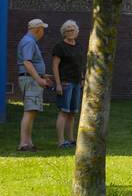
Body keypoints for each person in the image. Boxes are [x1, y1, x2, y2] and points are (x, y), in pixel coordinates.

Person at [17, 19, 52, 152]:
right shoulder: (29, 42)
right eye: (42, 29)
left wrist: (43, 75)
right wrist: (38, 79)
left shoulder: (29, 41)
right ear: (38, 29)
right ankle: (23, 144)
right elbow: (27, 62)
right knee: (29, 111)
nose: (43, 32)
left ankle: (29, 143)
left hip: (31, 79)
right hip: (31, 80)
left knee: (32, 111)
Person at [52, 20, 84, 148]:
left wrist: (82, 79)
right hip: (65, 83)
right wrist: (58, 84)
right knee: (64, 111)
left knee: (72, 112)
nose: (71, 32)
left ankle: (71, 139)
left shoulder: (79, 46)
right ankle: (61, 141)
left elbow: (80, 64)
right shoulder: (59, 47)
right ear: (64, 33)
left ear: (77, 31)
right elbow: (55, 66)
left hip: (77, 83)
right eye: (68, 30)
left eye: (73, 30)